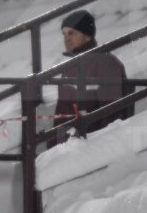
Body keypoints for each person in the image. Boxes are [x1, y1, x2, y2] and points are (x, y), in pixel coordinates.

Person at [53, 9, 130, 139]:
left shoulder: (106, 62)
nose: (66, 39)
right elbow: (61, 115)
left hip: (94, 147)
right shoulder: (68, 68)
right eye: (64, 34)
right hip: (69, 147)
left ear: (87, 35)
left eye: (72, 33)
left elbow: (112, 113)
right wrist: (55, 147)